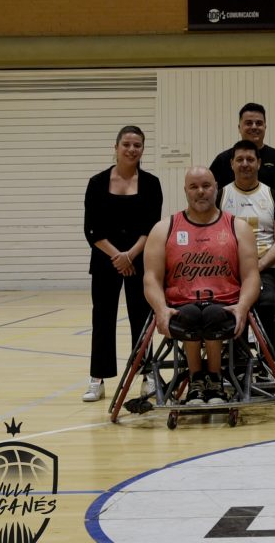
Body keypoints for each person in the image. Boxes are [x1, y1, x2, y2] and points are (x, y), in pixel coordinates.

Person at [143, 167, 260, 405]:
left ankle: (215, 379)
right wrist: (160, 308)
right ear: (185, 190)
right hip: (181, 305)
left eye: (206, 186)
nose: (201, 192)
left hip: (225, 305)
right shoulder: (164, 228)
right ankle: (197, 380)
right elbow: (151, 278)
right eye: (194, 187)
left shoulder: (238, 227)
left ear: (216, 188)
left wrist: (243, 306)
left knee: (213, 314)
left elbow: (251, 277)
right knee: (191, 315)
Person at [82, 126, 163, 402]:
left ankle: (146, 374)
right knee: (102, 318)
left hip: (139, 260)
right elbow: (91, 229)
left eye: (137, 145)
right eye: (126, 144)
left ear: (142, 149)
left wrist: (131, 255)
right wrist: (118, 256)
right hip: (106, 261)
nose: (131, 149)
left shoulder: (152, 183)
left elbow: (152, 226)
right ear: (116, 147)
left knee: (142, 318)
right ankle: (97, 377)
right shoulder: (96, 182)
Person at [219, 139, 275, 374]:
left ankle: (270, 357)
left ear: (259, 163)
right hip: (230, 270)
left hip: (264, 267)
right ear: (231, 164)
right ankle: (237, 358)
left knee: (267, 301)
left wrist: (258, 266)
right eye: (239, 159)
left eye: (250, 159)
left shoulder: (274, 197)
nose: (245, 164)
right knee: (222, 304)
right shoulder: (220, 196)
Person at [209, 102, 275, 220]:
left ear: (265, 127)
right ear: (239, 127)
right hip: (230, 233)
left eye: (259, 123)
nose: (254, 127)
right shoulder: (222, 160)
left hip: (269, 233)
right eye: (248, 123)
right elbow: (209, 194)